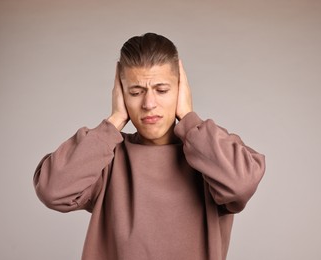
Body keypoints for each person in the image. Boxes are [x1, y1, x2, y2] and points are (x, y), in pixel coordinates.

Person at [33, 32, 265, 260]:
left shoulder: (210, 152)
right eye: (135, 92)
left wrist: (188, 117)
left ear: (181, 90)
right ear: (120, 94)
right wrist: (113, 122)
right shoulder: (107, 156)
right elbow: (52, 190)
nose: (149, 104)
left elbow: (240, 184)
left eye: (162, 90)